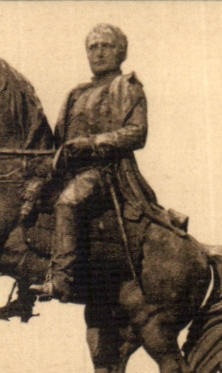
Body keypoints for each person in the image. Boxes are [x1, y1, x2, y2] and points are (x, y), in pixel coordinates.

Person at [35, 24, 160, 305]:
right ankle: (24, 288)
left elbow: (137, 133)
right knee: (28, 202)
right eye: (93, 47)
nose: (99, 52)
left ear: (121, 52)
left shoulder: (127, 87)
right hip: (70, 170)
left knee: (68, 202)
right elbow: (58, 137)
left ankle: (62, 280)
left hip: (106, 171)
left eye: (106, 46)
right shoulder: (76, 93)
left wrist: (91, 143)